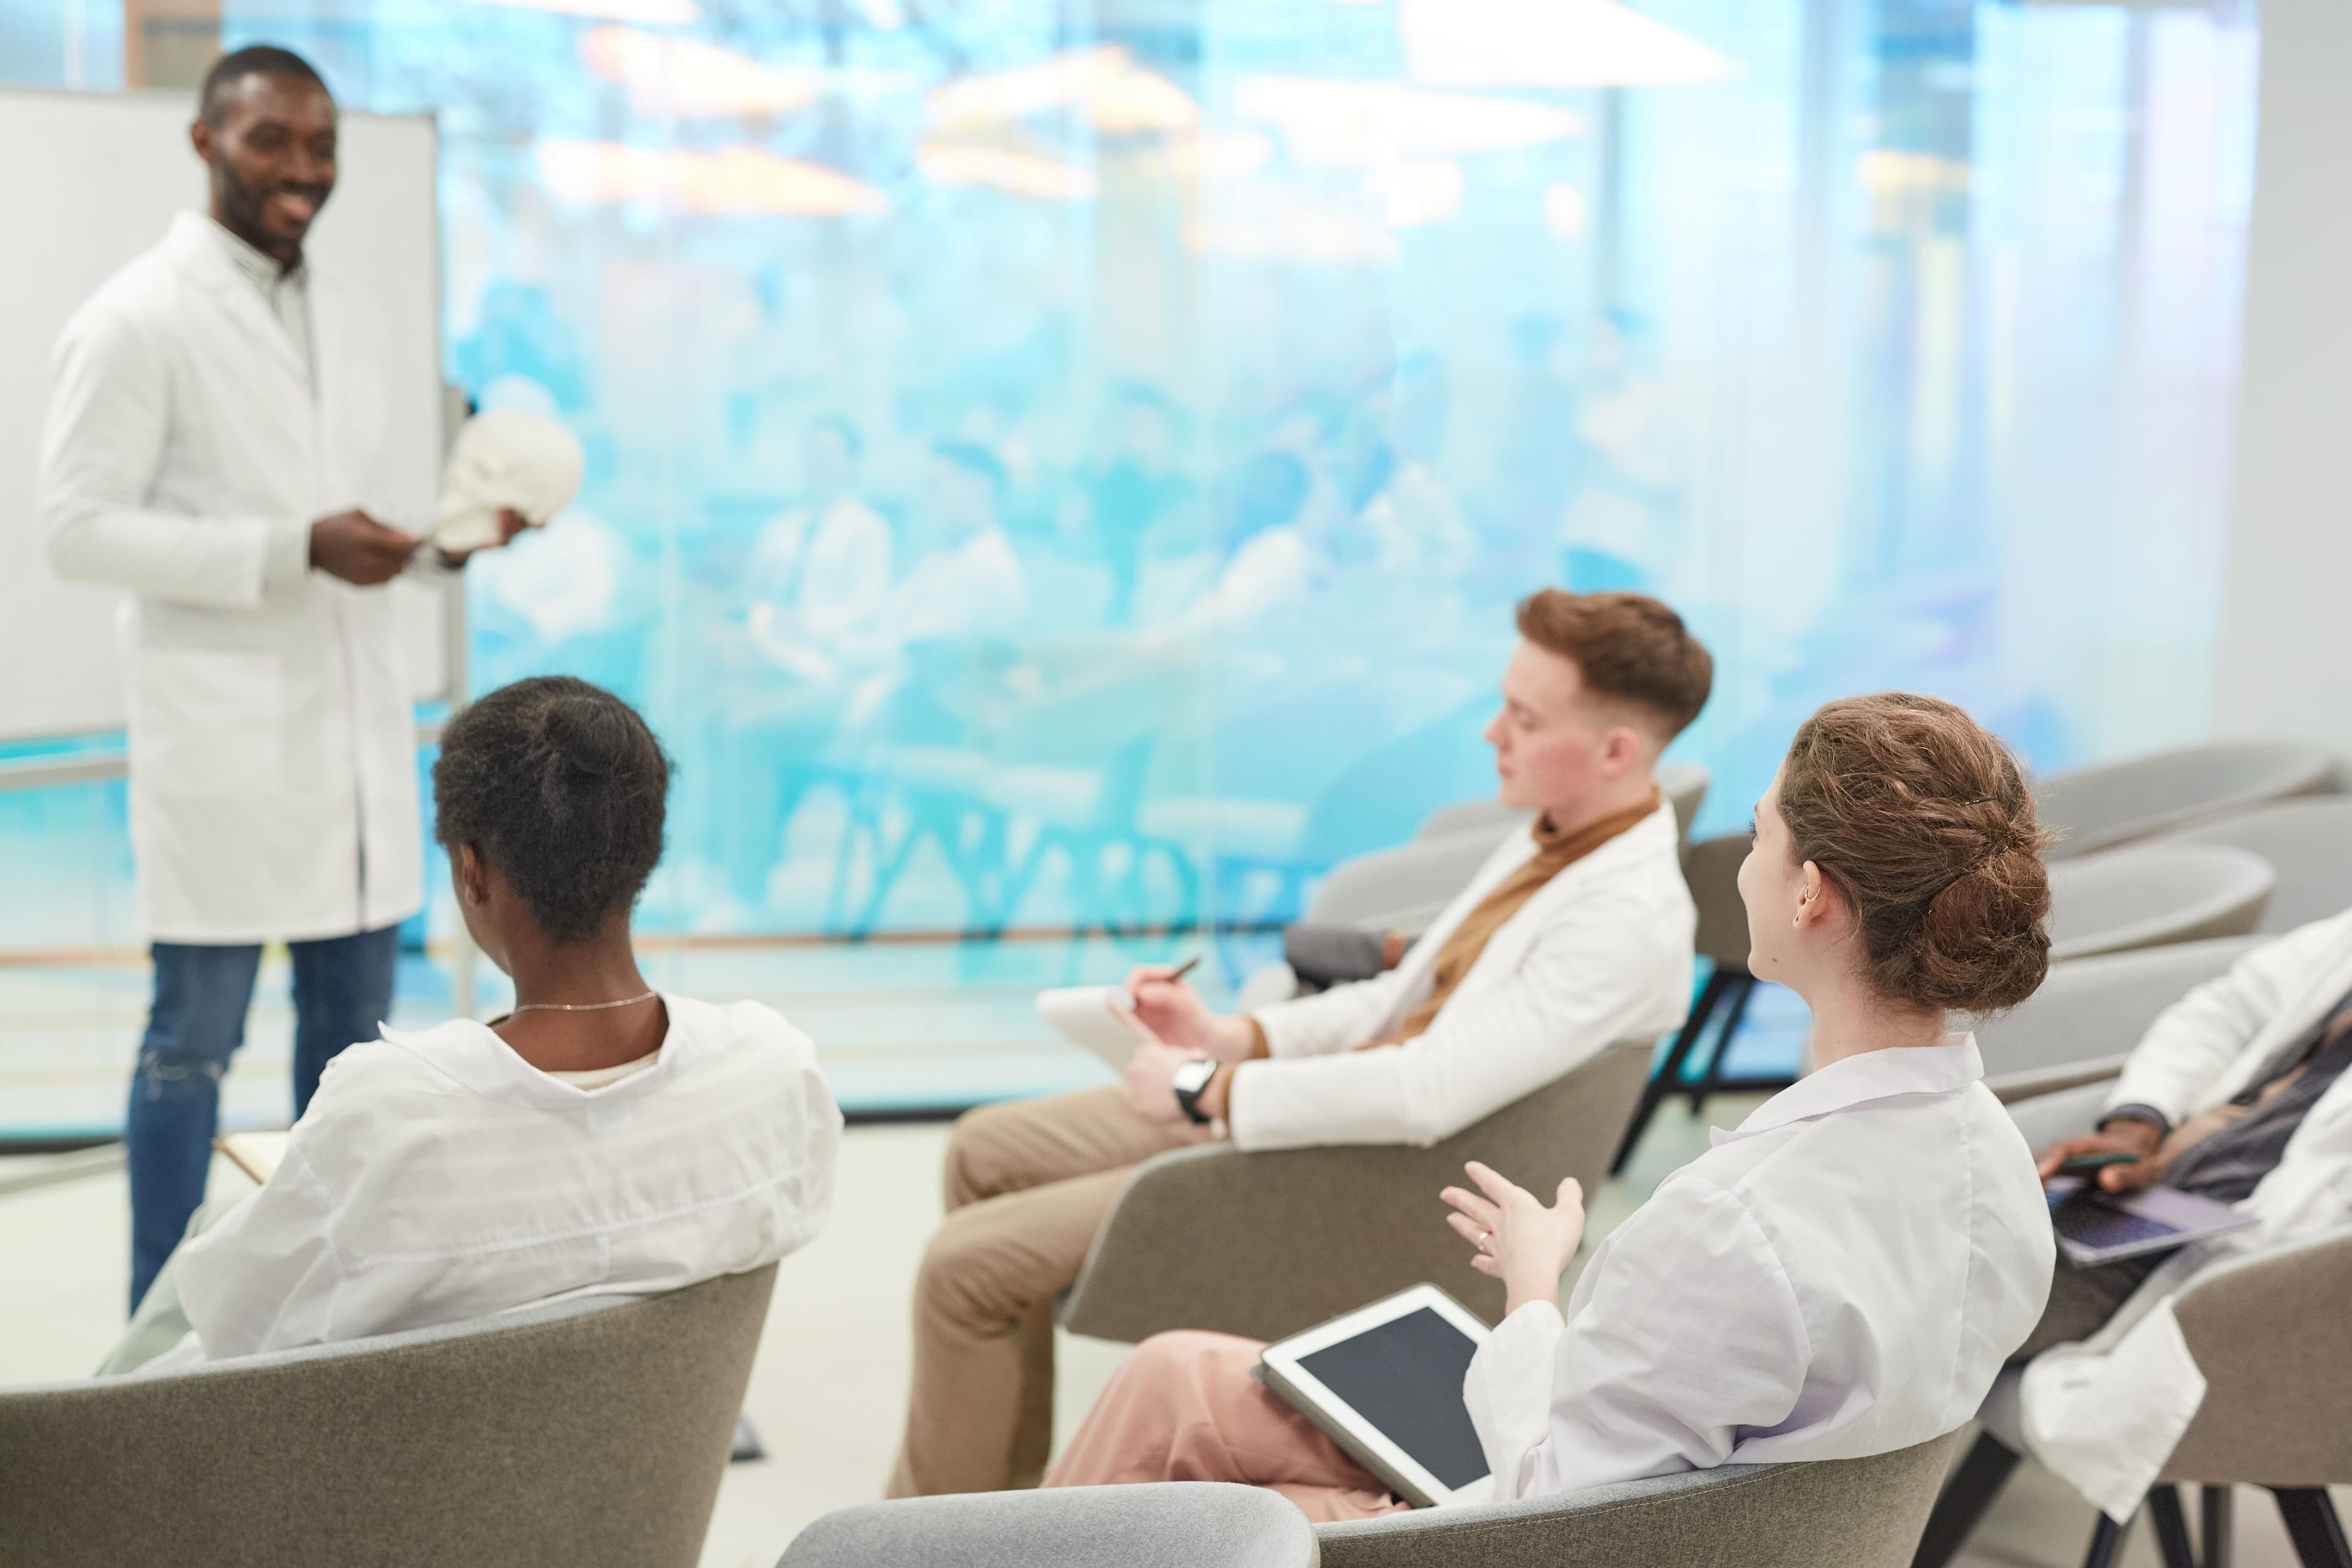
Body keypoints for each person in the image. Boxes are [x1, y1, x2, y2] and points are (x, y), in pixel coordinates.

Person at [1043, 692, 2057, 1517]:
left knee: (1177, 1494)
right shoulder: (2000, 1171)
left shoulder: (1729, 1228)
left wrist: (1535, 1287)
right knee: (1172, 1375)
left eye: (1761, 836)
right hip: (1724, 1522)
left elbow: (1546, 1507)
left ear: (1809, 893)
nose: (1746, 863)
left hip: (1543, 1533)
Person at [887, 589, 1714, 1498]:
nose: (1492, 732)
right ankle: (994, 1497)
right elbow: (1398, 1002)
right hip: (1329, 1122)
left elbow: (1424, 1089)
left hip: (1370, 1189)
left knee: (966, 1270)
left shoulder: (1623, 920)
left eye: (1523, 717)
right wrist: (1232, 1036)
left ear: (1616, 751)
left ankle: (932, 1539)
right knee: (985, 1149)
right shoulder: (1554, 839)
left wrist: (1211, 1089)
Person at [36, 43, 524, 1310]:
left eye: (321, 146)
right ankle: (153, 1334)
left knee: (351, 1062)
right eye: (272, 142)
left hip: (350, 748)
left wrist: (447, 542)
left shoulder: (347, 312)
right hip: (226, 751)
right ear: (207, 143)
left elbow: (347, 514)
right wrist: (290, 549)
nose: (303, 169)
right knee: (190, 1051)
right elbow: (74, 530)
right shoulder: (138, 317)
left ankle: (324, 1314)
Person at [98, 676, 842, 1374]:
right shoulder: (774, 1076)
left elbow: (231, 1335)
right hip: (642, 1466)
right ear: (646, 849)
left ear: (473, 869)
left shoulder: (386, 1119)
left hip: (387, 1471)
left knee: (207, 1244)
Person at [1909, 902, 2352, 1557]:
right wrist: (2137, 1124)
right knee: (1911, 1236)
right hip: (2156, 1199)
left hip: (2243, 1282)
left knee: (1905, 1308)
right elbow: (2224, 1009)